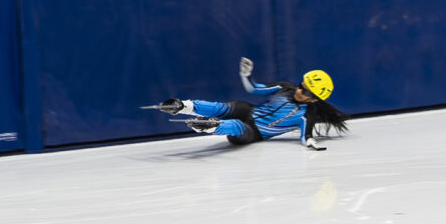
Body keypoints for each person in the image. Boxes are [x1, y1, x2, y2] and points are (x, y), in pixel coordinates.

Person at [146, 57, 348, 150]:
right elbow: (254, 89)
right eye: (301, 85)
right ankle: (183, 106)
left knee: (236, 127)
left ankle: (211, 127)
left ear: (314, 99)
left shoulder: (306, 115)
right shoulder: (284, 87)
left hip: (254, 133)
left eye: (306, 91)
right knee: (226, 107)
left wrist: (311, 143)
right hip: (249, 111)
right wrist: (246, 75)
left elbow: (306, 136)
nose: (300, 90)